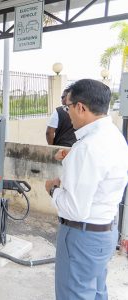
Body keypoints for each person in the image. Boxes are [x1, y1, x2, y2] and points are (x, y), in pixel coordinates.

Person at [44, 79, 128, 299]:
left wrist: (52, 189)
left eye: (68, 106)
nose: (67, 112)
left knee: (75, 294)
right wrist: (71, 162)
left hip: (81, 237)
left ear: (80, 107)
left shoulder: (88, 148)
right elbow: (100, 179)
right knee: (97, 292)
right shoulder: (114, 137)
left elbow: (74, 209)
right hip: (105, 233)